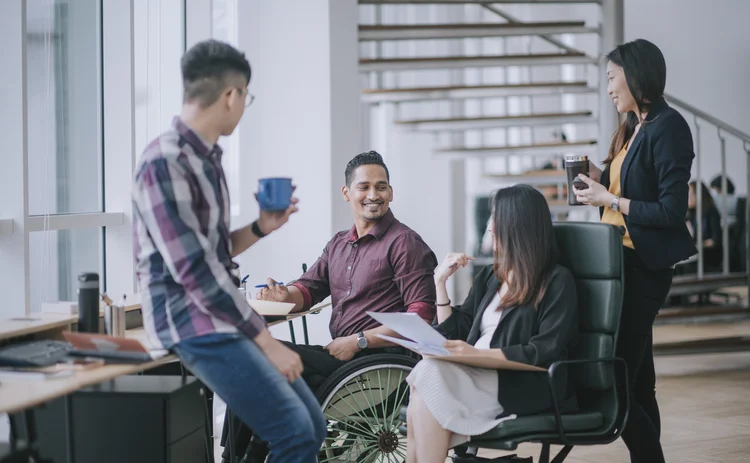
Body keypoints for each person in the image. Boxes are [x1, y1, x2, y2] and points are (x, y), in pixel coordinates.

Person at [131, 39, 326, 463]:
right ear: (231, 95)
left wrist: (260, 227)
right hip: (190, 323)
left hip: (217, 316)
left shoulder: (207, 161)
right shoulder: (164, 163)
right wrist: (267, 342)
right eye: (246, 98)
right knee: (295, 431)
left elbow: (213, 250)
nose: (243, 106)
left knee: (312, 426)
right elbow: (196, 272)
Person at [221, 150, 439, 462]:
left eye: (381, 187)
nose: (373, 195)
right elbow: (309, 289)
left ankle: (241, 456)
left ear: (391, 192)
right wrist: (286, 295)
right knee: (250, 355)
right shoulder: (339, 243)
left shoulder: (403, 242)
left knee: (258, 353)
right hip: (340, 358)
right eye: (364, 187)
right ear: (347, 193)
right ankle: (241, 453)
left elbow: (421, 317)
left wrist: (359, 341)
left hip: (377, 366)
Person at [573, 38, 697, 463]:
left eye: (611, 78)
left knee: (616, 373)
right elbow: (621, 184)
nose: (608, 88)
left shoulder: (670, 126)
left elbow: (670, 211)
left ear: (635, 74)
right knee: (638, 379)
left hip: (642, 266)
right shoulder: (634, 126)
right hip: (617, 261)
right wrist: (594, 176)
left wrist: (609, 200)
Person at [406, 184, 579, 463]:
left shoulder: (556, 281)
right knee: (426, 375)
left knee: (425, 388)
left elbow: (544, 351)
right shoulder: (491, 276)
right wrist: (440, 283)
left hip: (518, 383)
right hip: (473, 372)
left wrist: (476, 354)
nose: (489, 227)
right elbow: (458, 329)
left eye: (496, 218)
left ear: (517, 225)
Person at [687, 180, 723, 271]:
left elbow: (715, 241)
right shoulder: (691, 214)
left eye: (690, 194)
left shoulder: (711, 212)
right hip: (696, 254)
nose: (687, 198)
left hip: (710, 256)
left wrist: (698, 245)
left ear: (699, 195)